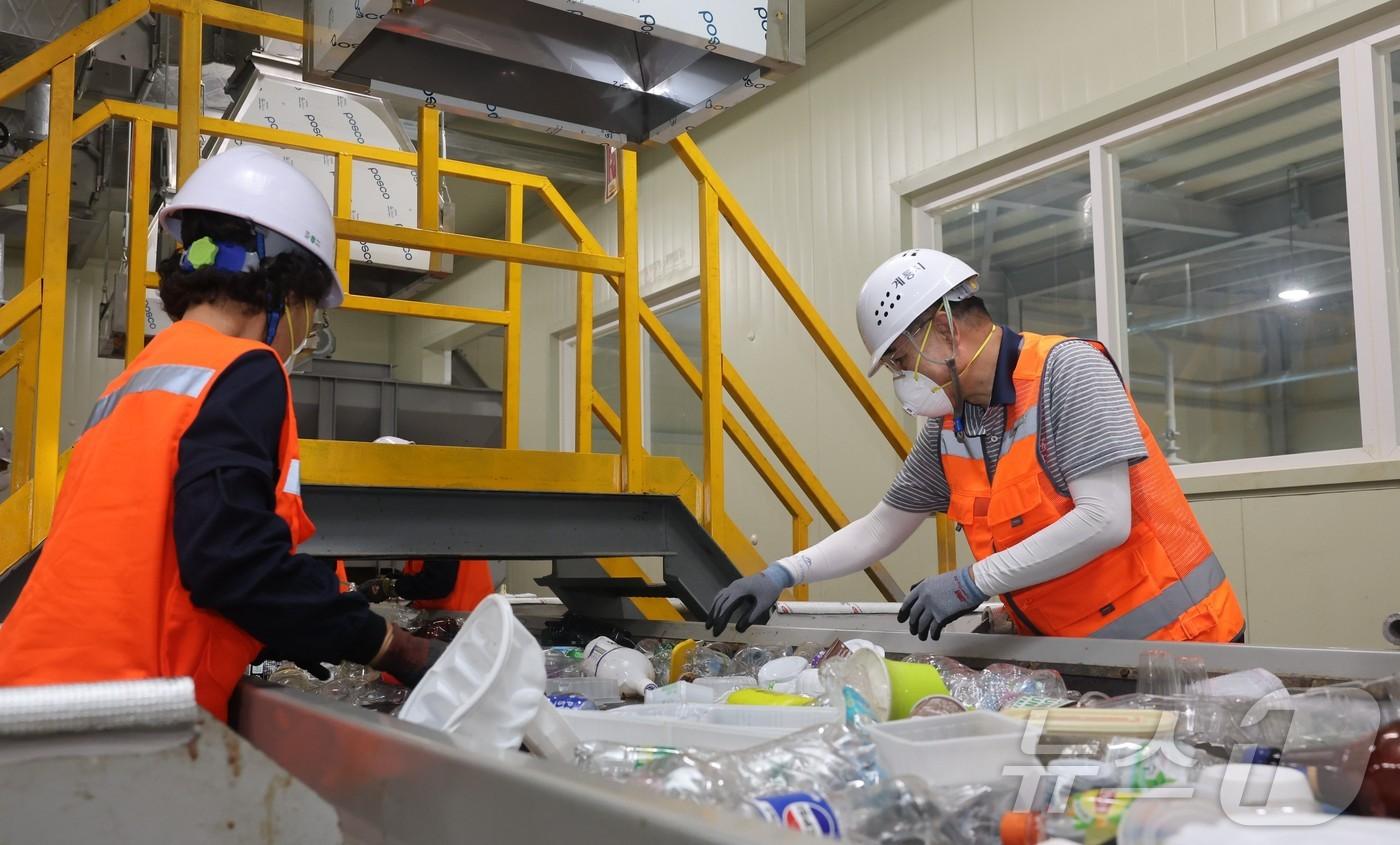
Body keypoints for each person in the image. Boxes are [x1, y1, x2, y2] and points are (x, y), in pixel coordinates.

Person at [0, 147, 442, 720]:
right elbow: (232, 561)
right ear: (286, 288)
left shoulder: (139, 377)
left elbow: (162, 556)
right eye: (312, 308)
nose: (307, 327)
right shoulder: (242, 368)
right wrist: (394, 647)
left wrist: (292, 624)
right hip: (122, 714)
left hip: (42, 696)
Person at [707, 248, 1245, 644]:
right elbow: (880, 527)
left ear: (944, 327)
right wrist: (783, 573)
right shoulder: (953, 425)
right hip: (1086, 656)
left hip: (1186, 648)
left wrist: (970, 582)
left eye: (900, 358)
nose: (901, 377)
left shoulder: (1068, 370)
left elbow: (1105, 518)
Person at [358, 559, 496, 613]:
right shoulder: (431, 522)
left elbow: (437, 583)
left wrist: (390, 587)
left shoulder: (440, 520)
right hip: (459, 619)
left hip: (460, 623)